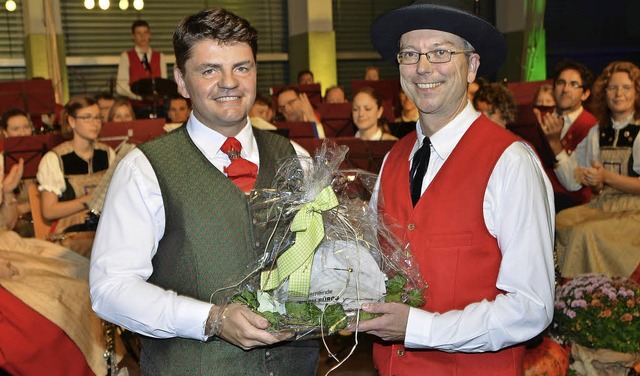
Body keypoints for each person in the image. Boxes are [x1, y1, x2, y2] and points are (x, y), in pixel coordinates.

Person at [89, 8, 319, 375]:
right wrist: (210, 319)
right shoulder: (145, 169)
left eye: (242, 67)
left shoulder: (299, 159)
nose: (229, 82)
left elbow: (324, 259)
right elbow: (110, 289)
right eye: (210, 70)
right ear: (181, 80)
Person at [351, 1, 556, 375]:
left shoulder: (510, 162)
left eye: (441, 52)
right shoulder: (393, 159)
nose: (424, 67)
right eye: (410, 54)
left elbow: (532, 307)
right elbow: (373, 263)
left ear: (472, 66)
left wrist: (420, 328)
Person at [543, 60, 640, 281]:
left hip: (634, 210)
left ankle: (593, 291)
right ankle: (568, 287)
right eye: (612, 88)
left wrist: (606, 178)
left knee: (584, 232)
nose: (618, 94)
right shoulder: (598, 131)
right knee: (561, 220)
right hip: (604, 204)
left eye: (626, 87)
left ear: (636, 92)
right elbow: (573, 181)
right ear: (604, 92)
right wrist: (556, 145)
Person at [36, 96, 115, 244]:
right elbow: (49, 211)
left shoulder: (107, 153)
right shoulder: (55, 158)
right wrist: (87, 200)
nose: (95, 123)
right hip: (70, 232)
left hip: (104, 227)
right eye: (87, 118)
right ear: (72, 122)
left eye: (98, 117)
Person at [538, 60, 597, 211]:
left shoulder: (590, 126)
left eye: (574, 84)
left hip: (571, 204)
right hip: (536, 194)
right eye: (561, 83)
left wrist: (555, 144)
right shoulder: (539, 118)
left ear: (585, 94)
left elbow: (573, 184)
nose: (565, 89)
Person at [116, 20, 168, 101]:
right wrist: (138, 96)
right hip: (135, 105)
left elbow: (164, 83)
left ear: (149, 35)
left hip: (157, 105)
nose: (142, 36)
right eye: (138, 33)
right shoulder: (126, 56)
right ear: (133, 36)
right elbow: (120, 86)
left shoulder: (160, 56)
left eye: (145, 33)